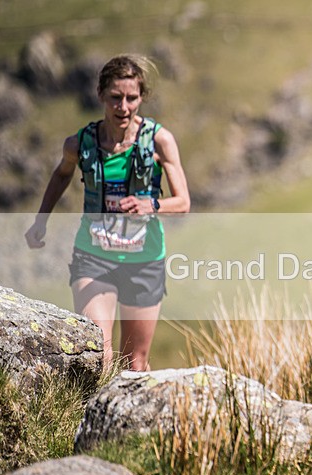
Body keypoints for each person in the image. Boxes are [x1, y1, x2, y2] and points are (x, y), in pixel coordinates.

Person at [25, 54, 190, 372]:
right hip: (94, 258)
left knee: (136, 364)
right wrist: (41, 220)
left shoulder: (159, 141)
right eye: (115, 98)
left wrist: (152, 204)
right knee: (95, 357)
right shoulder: (80, 143)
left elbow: (183, 202)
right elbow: (62, 174)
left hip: (144, 260)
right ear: (101, 95)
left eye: (132, 98)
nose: (123, 107)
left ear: (142, 97)